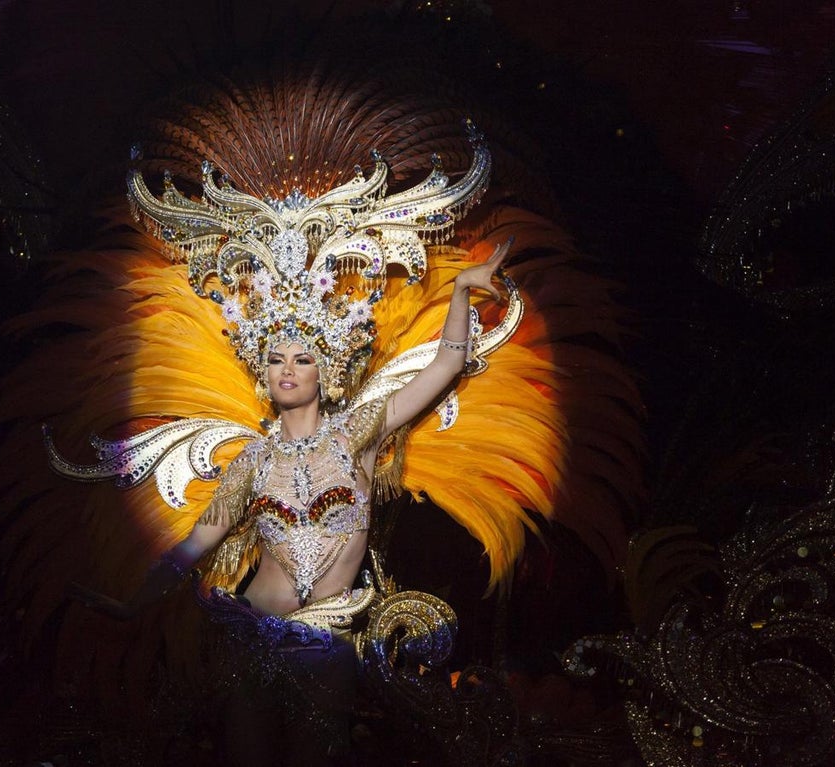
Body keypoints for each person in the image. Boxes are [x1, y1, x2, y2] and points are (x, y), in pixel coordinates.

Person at [61, 135, 519, 764]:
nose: (287, 368)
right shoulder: (252, 461)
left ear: (325, 371)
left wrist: (465, 290)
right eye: (275, 357)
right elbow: (194, 545)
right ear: (262, 369)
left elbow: (447, 363)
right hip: (251, 631)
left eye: (302, 357)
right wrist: (131, 602)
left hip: (327, 635)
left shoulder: (359, 432)